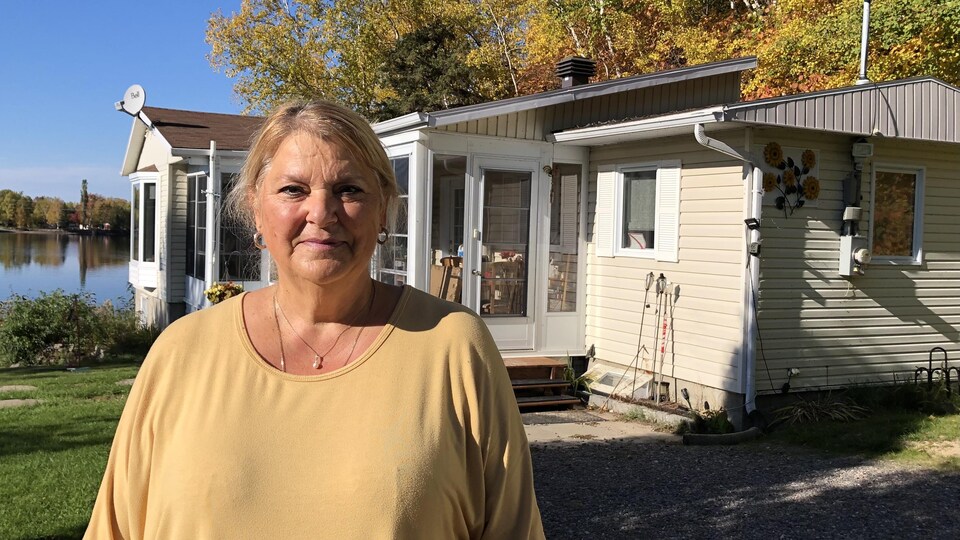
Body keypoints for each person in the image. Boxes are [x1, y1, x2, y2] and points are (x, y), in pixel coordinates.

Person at [84, 101, 544, 539]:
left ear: (383, 210)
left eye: (349, 190)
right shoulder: (182, 352)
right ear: (254, 210)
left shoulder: (454, 347)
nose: (321, 214)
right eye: (293, 190)